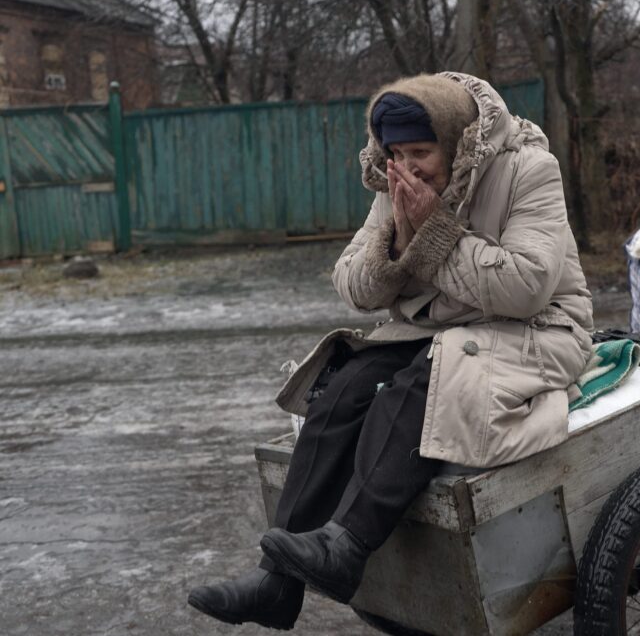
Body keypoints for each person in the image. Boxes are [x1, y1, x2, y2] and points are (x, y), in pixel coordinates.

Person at [187, 72, 593, 630]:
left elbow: (525, 288)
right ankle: (275, 583)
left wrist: (433, 231)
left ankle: (347, 547)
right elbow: (352, 283)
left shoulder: (528, 170)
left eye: (421, 151)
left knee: (424, 383)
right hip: (444, 332)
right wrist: (397, 245)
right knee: (345, 386)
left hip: (540, 331)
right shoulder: (395, 182)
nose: (408, 166)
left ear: (455, 142)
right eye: (396, 152)